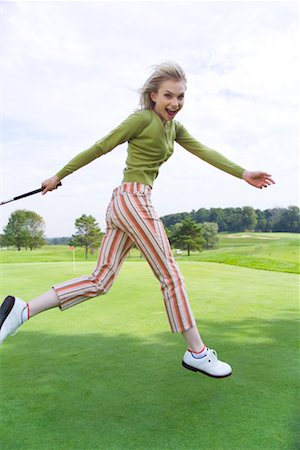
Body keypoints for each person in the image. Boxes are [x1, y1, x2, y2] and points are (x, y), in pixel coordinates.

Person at [0, 62, 274, 377]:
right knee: (170, 275)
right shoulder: (142, 119)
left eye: (181, 97)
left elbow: (205, 151)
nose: (175, 103)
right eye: (168, 96)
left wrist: (243, 173)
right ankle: (197, 351)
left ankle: (23, 310)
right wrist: (59, 175)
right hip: (134, 200)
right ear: (153, 96)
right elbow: (101, 146)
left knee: (100, 280)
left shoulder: (175, 128)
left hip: (124, 203)